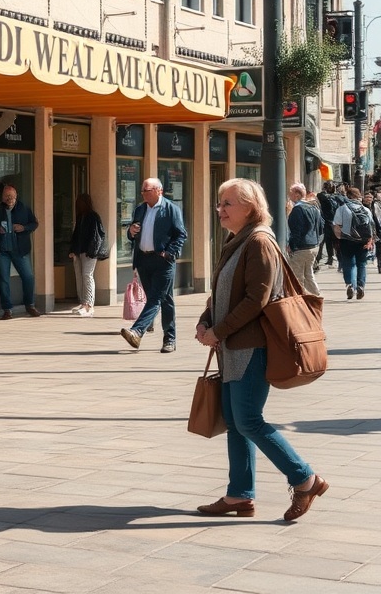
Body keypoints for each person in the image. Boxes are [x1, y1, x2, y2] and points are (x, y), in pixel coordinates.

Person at [195, 178, 327, 522]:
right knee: (237, 423)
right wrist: (205, 320)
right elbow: (222, 291)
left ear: (251, 208)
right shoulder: (236, 239)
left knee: (249, 420)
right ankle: (239, 495)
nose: (220, 209)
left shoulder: (259, 241)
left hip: (250, 347)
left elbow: (258, 299)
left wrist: (218, 331)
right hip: (232, 346)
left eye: (227, 203)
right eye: (219, 202)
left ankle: (305, 479)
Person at [120, 178, 187, 353]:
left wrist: (169, 253)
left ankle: (137, 331)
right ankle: (169, 339)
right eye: (142, 191)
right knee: (164, 299)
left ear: (159, 191)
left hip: (163, 260)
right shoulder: (140, 209)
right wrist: (131, 232)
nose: (143, 194)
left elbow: (181, 235)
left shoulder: (171, 209)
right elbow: (133, 233)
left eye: (147, 191)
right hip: (144, 260)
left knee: (157, 298)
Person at [0, 185, 41, 319]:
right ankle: (7, 309)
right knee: (3, 279)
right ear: (2, 197)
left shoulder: (23, 208)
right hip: (2, 250)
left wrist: (24, 227)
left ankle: (30, 305)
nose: (10, 199)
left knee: (28, 277)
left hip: (20, 249)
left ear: (16, 196)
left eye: (12, 196)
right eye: (7, 196)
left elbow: (35, 223)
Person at [333, 186, 374, 300]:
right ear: (358, 196)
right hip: (363, 241)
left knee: (348, 264)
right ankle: (360, 285)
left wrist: (339, 237)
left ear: (348, 196)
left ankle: (350, 284)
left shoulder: (342, 209)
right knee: (361, 264)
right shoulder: (366, 210)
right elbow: (371, 226)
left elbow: (337, 226)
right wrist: (370, 240)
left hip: (347, 240)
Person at [68, 193, 104, 316]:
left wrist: (92, 251)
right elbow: (76, 235)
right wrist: (73, 250)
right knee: (80, 276)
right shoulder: (80, 217)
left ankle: (88, 305)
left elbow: (97, 236)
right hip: (79, 251)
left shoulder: (93, 217)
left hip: (89, 252)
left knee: (87, 276)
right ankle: (83, 302)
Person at [285, 183, 323, 297]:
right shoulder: (314, 207)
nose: (289, 196)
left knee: (297, 276)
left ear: (297, 194)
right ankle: (316, 296)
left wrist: (291, 246)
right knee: (308, 273)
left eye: (290, 193)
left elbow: (297, 231)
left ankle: (300, 298)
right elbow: (321, 227)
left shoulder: (298, 209)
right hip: (313, 246)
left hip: (301, 247)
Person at [316, 181, 345, 268]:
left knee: (327, 241)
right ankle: (334, 260)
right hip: (335, 222)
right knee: (334, 242)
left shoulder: (323, 196)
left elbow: (320, 195)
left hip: (328, 222)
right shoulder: (338, 197)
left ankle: (329, 258)